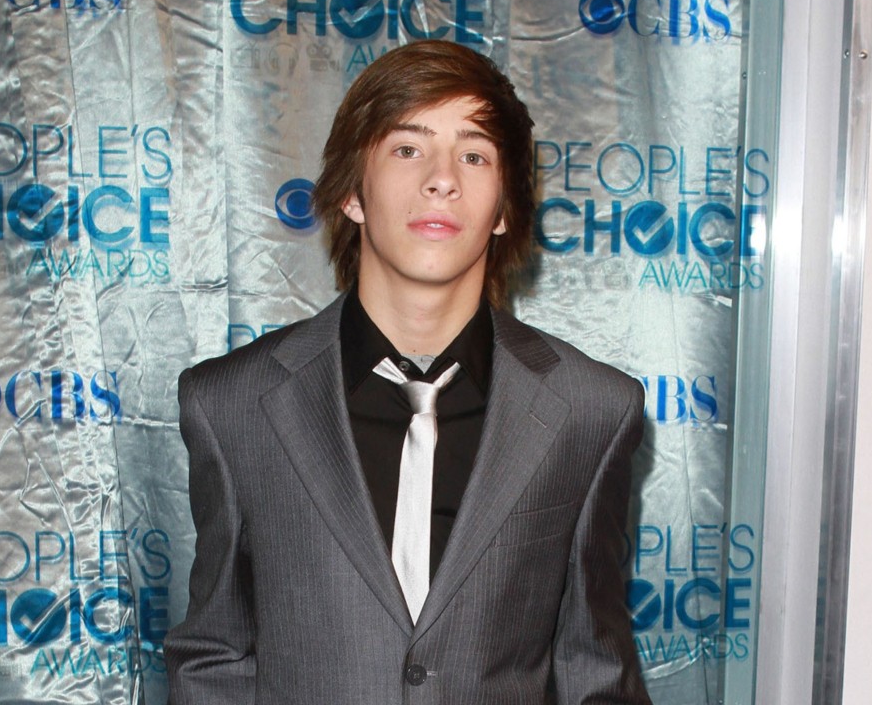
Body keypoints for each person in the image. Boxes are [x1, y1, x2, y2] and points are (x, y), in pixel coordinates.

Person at [164, 40, 649, 704]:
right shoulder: (233, 404)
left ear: (505, 207)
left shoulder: (591, 410)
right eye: (408, 148)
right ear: (352, 193)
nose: (442, 178)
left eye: (474, 155)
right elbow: (214, 662)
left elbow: (596, 673)